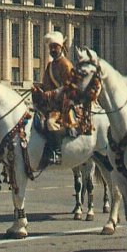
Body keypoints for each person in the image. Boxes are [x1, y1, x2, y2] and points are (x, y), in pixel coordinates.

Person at [31, 31, 75, 165]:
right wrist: (38, 88)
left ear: (61, 47)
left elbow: (69, 86)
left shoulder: (66, 64)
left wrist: (52, 93)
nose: (52, 50)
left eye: (54, 47)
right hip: (49, 104)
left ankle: (57, 152)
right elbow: (45, 84)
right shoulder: (50, 65)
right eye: (50, 47)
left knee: (51, 123)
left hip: (62, 105)